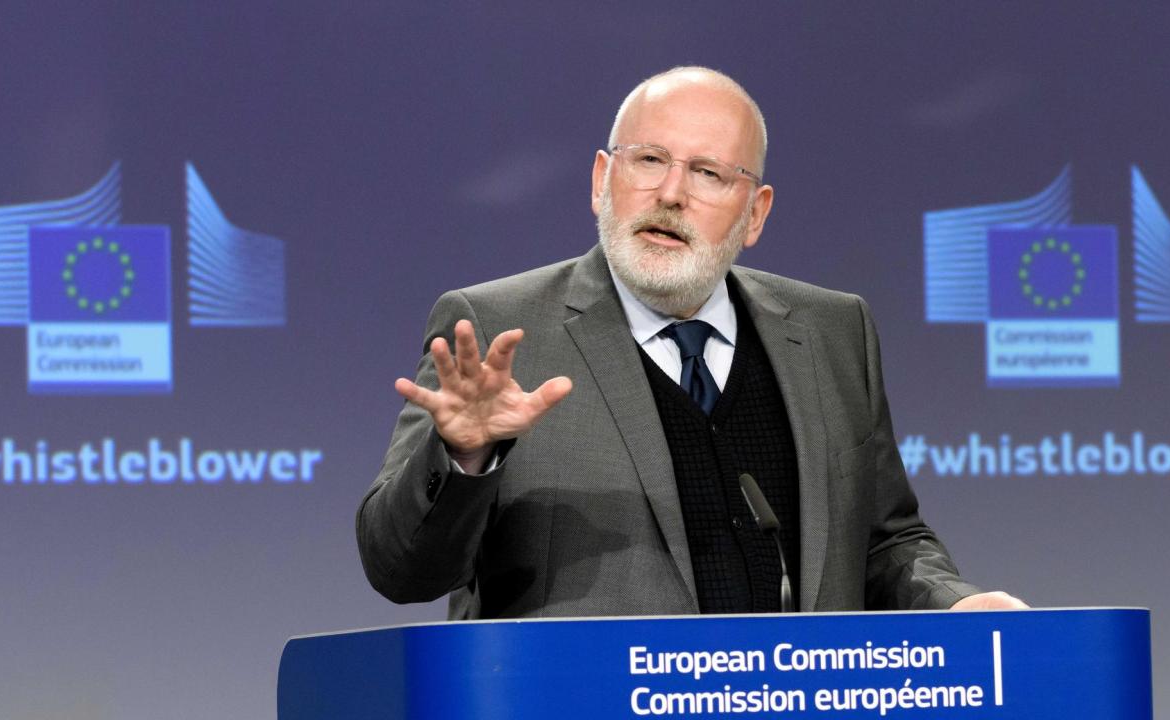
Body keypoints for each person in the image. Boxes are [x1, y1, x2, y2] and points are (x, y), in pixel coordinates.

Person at [356, 66, 1024, 618]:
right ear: (600, 180)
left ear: (756, 213)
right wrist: (465, 458)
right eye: (648, 160)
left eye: (708, 173)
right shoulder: (498, 328)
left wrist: (955, 602)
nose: (670, 193)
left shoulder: (832, 332)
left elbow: (883, 541)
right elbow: (400, 571)